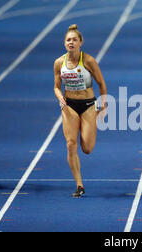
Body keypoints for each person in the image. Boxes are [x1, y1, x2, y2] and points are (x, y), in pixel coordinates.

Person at [54, 24, 107, 198]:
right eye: (68, 40)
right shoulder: (59, 63)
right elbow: (56, 86)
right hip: (69, 106)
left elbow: (101, 82)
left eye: (74, 40)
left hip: (88, 105)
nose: (71, 42)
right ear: (64, 43)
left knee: (87, 148)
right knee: (70, 144)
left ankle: (92, 122)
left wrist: (103, 102)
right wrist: (59, 96)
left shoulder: (89, 61)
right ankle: (79, 185)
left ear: (80, 42)